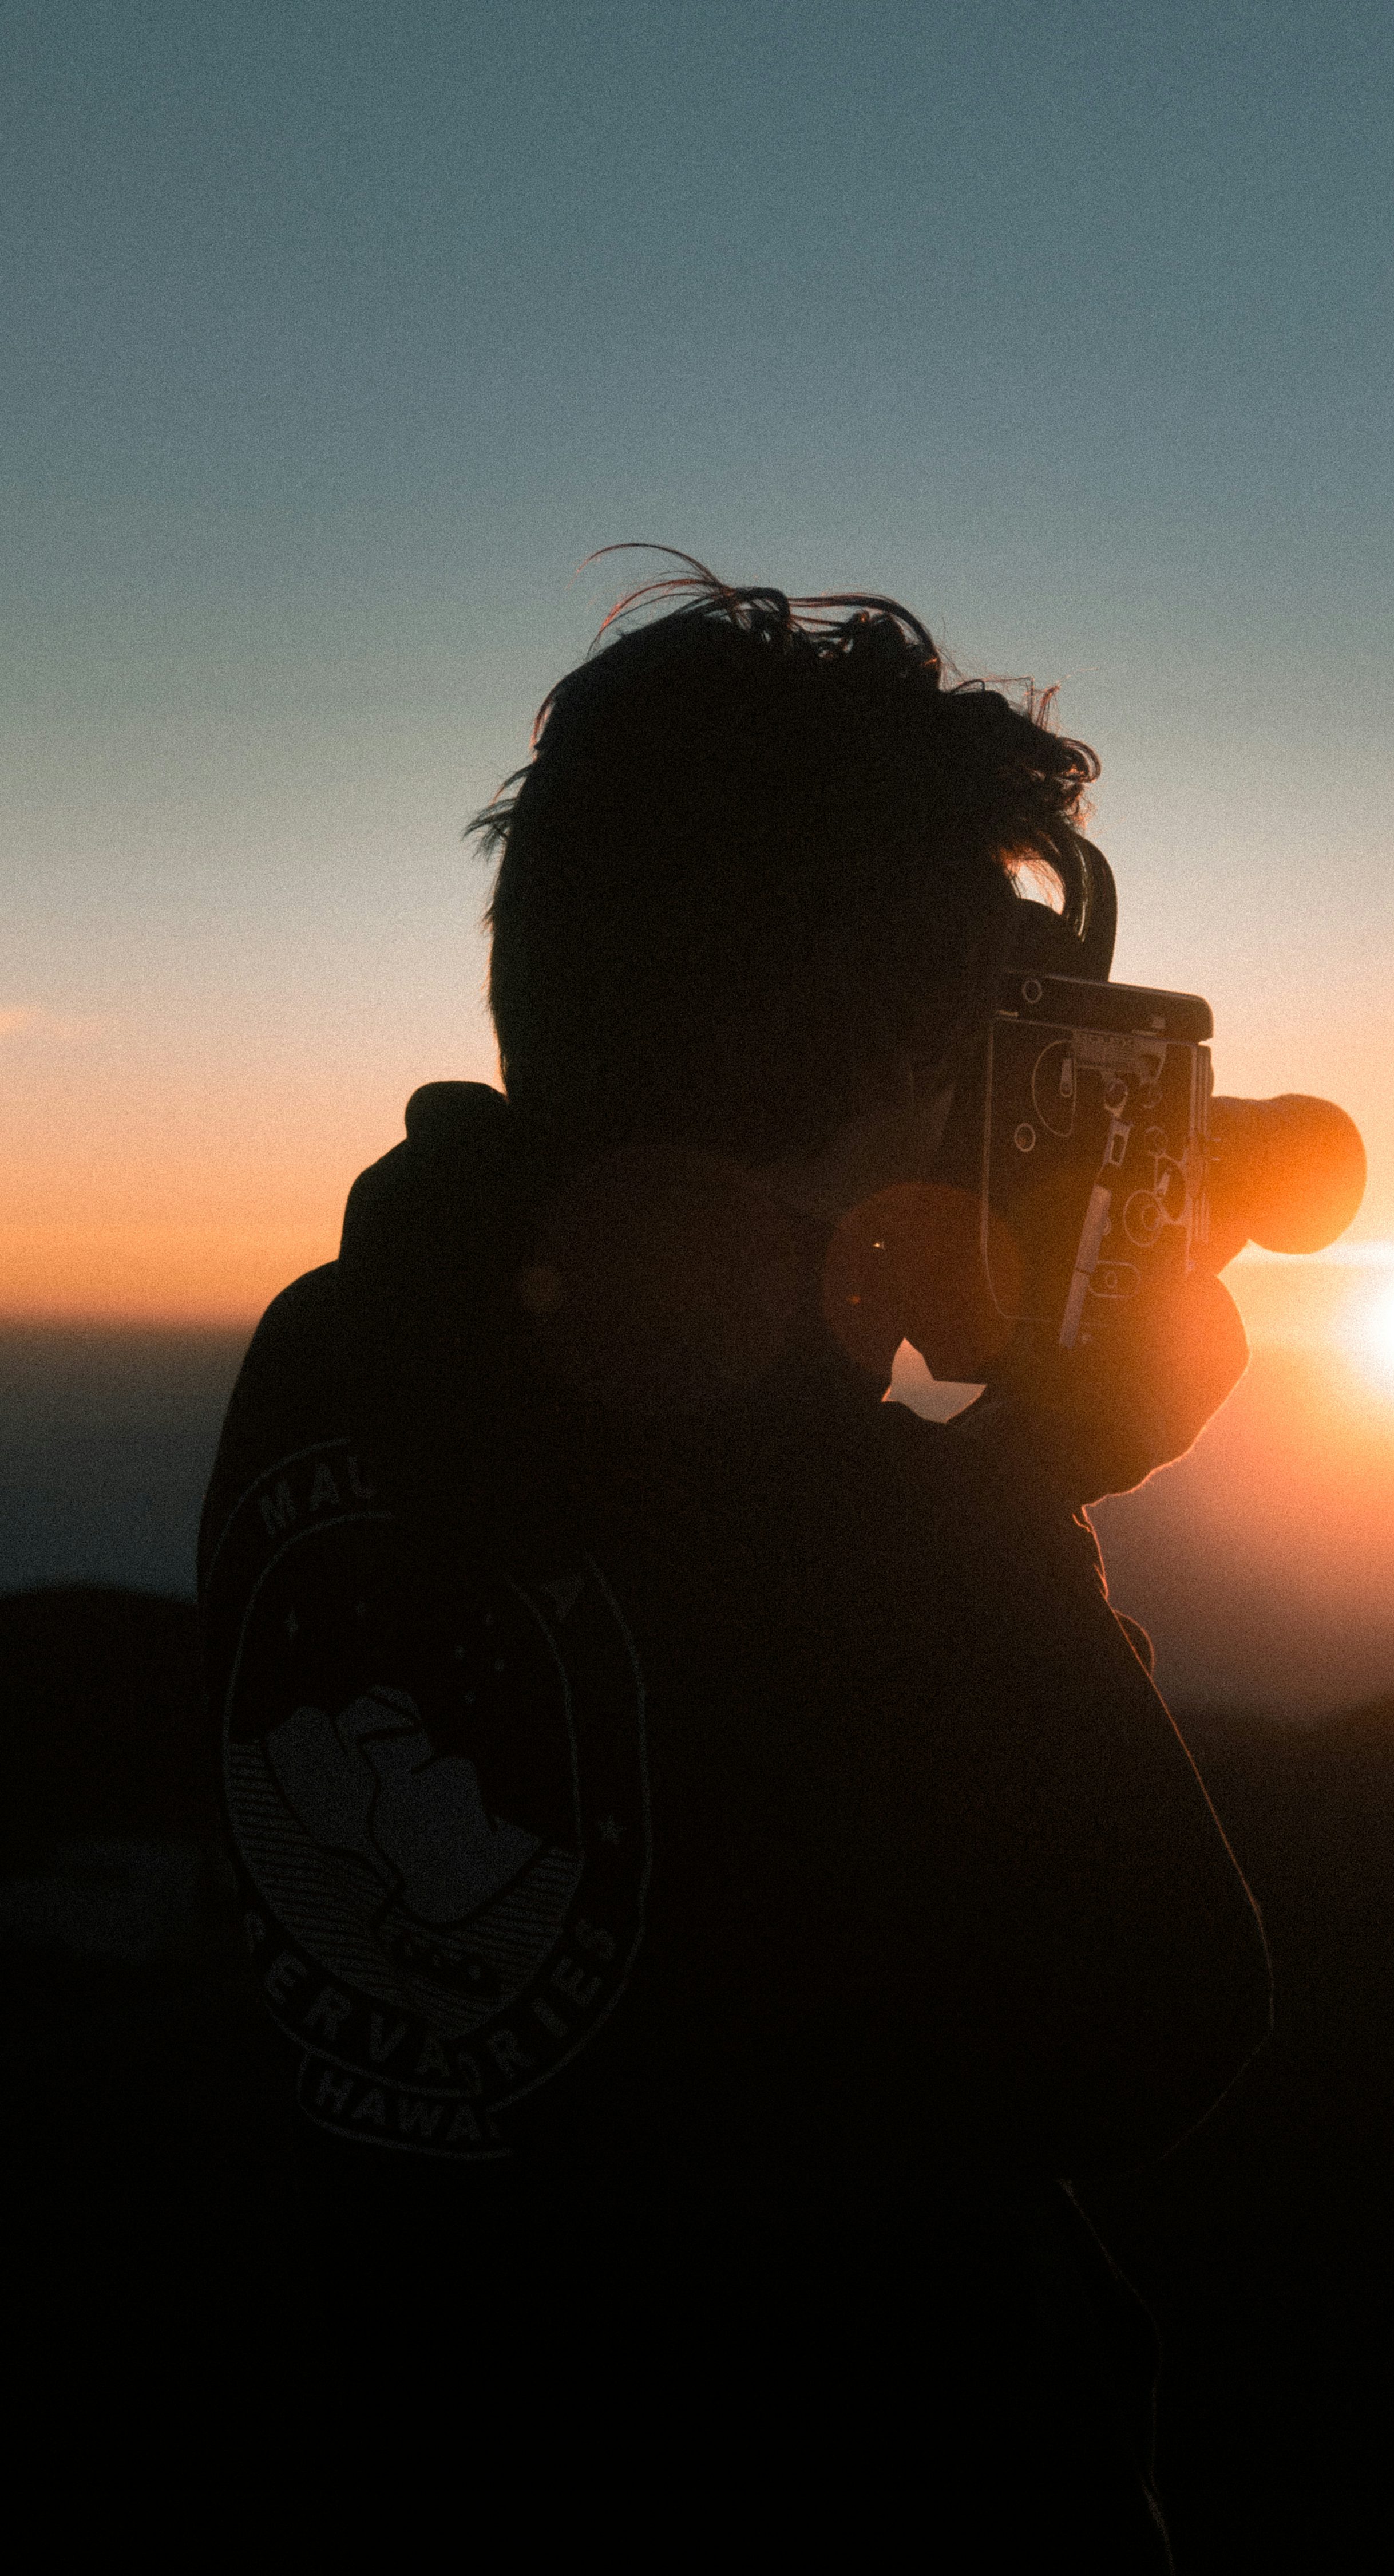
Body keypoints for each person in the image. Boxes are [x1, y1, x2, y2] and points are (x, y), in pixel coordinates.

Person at [199, 569, 1269, 2559]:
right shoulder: (823, 1505)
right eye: (981, 1019)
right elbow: (1151, 2018)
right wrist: (1028, 1473)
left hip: (410, 2435)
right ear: (895, 1042)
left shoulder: (332, 1352)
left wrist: (877, 1341)